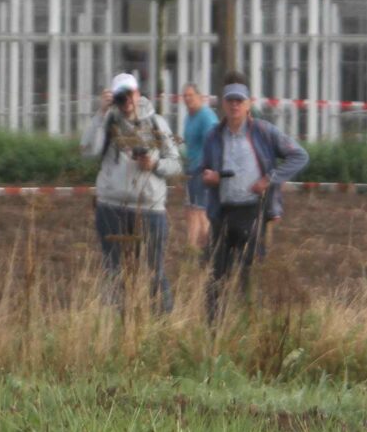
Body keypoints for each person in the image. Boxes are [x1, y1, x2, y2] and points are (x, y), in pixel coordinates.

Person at [197, 76, 308, 320]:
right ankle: (215, 330)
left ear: (248, 104)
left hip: (253, 211)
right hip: (222, 211)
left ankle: (250, 323)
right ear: (223, 106)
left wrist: (270, 179)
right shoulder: (213, 136)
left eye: (239, 100)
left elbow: (299, 155)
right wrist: (209, 177)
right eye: (230, 101)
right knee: (217, 275)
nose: (235, 105)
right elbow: (200, 170)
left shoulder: (264, 132)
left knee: (249, 273)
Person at [80, 71, 181, 309]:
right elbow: (87, 151)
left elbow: (176, 164)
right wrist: (100, 113)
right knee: (114, 271)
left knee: (154, 271)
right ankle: (118, 327)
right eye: (120, 95)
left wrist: (154, 164)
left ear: (138, 94)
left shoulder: (157, 123)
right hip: (111, 206)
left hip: (149, 209)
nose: (126, 101)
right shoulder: (107, 121)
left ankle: (160, 324)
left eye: (129, 94)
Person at [178, 83, 219, 250]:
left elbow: (214, 143)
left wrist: (209, 168)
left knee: (199, 210)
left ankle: (198, 246)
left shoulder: (206, 117)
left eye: (190, 95)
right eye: (185, 96)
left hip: (202, 169)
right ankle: (197, 246)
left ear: (199, 97)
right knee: (190, 208)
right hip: (191, 168)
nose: (188, 99)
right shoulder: (188, 116)